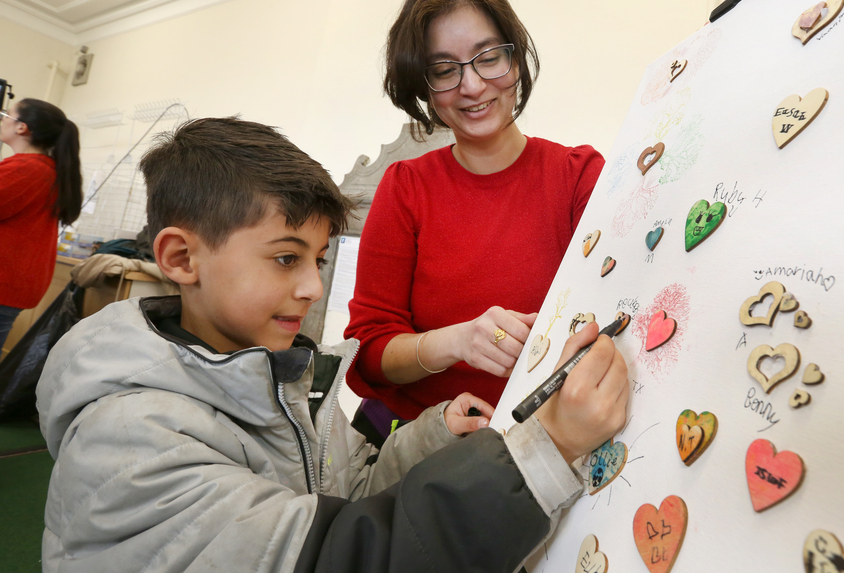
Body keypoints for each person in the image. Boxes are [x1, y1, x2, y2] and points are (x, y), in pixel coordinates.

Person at [36, 117, 629, 572]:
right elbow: (343, 555)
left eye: (318, 260)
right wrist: (547, 448)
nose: (314, 288)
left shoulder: (284, 379)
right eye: (285, 258)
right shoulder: (131, 443)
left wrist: (433, 435)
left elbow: (345, 494)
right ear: (181, 258)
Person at [345, 0, 605, 442]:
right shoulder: (405, 187)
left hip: (548, 443)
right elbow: (368, 351)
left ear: (515, 59)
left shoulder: (579, 175)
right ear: (424, 86)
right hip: (421, 445)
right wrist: (458, 341)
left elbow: (618, 307)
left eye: (488, 58)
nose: (471, 85)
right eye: (445, 70)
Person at [0, 99, 82, 348]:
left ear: (21, 127)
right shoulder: (46, 169)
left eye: (6, 115)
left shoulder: (26, 169)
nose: (1, 120)